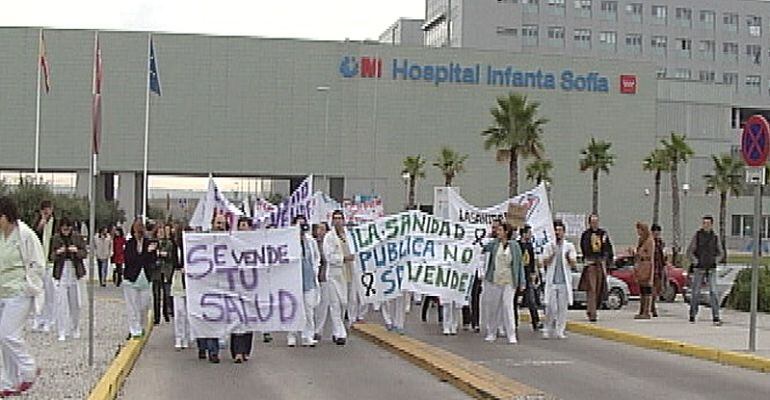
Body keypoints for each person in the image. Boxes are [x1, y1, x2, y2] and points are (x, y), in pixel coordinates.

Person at [0, 196, 45, 396]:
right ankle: (9, 382)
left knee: (8, 333)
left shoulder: (25, 234)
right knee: (3, 339)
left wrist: (29, 286)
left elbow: (38, 263)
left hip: (19, 292)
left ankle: (29, 369)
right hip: (2, 292)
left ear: (6, 216)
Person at [481, 222, 525, 344]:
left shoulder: (515, 246)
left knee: (507, 306)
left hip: (509, 280)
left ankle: (511, 334)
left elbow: (519, 264)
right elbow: (483, 249)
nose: (498, 232)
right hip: (495, 279)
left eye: (500, 230)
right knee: (493, 307)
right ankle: (491, 332)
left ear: (506, 232)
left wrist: (522, 281)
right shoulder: (494, 244)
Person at [196, 214, 227, 363]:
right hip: (205, 284)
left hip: (221, 284)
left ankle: (213, 351)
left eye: (223, 223)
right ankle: (203, 345)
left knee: (216, 317)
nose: (220, 225)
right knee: (205, 317)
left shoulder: (229, 240)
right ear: (213, 223)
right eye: (218, 223)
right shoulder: (204, 240)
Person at [50, 218, 87, 341]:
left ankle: (75, 328)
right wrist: (58, 252)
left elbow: (84, 253)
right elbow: (51, 256)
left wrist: (76, 251)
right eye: (64, 228)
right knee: (61, 303)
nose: (66, 230)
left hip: (74, 270)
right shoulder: (55, 238)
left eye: (68, 228)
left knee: (75, 303)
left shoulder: (77, 237)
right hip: (61, 271)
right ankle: (61, 331)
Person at [287, 215, 320, 347]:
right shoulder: (289, 240)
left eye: (303, 224)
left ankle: (308, 336)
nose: (301, 228)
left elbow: (316, 257)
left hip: (308, 279)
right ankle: (292, 335)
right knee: (293, 309)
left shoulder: (310, 241)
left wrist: (315, 270)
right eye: (298, 225)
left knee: (309, 309)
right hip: (294, 280)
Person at [320, 210, 352, 345]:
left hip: (347, 274)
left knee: (344, 303)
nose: (338, 221)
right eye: (336, 218)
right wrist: (343, 259)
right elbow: (328, 256)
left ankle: (336, 329)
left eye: (340, 218)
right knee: (335, 304)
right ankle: (340, 333)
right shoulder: (329, 237)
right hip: (334, 274)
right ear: (332, 221)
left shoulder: (349, 236)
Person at [541, 220, 576, 339]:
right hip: (552, 281)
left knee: (562, 308)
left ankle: (560, 330)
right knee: (551, 307)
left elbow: (573, 264)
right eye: (556, 230)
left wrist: (567, 257)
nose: (558, 233)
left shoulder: (569, 246)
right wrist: (553, 254)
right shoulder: (549, 246)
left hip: (563, 282)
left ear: (564, 232)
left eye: (560, 230)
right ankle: (547, 327)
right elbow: (544, 262)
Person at [686, 215, 723, 326]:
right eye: (704, 223)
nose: (705, 225)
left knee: (713, 292)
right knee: (696, 292)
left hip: (711, 268)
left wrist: (715, 261)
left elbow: (721, 253)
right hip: (699, 268)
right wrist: (696, 261)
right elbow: (690, 252)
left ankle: (716, 316)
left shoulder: (715, 237)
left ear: (711, 224)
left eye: (707, 223)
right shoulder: (697, 236)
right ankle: (692, 314)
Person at [123, 219, 157, 340]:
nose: (139, 232)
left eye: (140, 228)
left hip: (145, 278)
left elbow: (152, 260)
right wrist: (146, 253)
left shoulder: (149, 243)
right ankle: (134, 330)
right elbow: (130, 259)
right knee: (132, 306)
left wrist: (149, 253)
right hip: (131, 278)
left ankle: (141, 327)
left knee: (144, 305)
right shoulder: (129, 243)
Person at [579, 214, 614, 322]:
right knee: (592, 288)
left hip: (600, 262)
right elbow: (584, 248)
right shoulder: (586, 235)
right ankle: (592, 312)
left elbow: (608, 247)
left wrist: (607, 260)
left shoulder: (603, 234)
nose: (594, 224)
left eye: (596, 221)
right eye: (592, 222)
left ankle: (594, 308)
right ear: (589, 223)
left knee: (599, 287)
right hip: (590, 263)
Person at [230, 217, 255, 362]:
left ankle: (245, 350)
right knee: (237, 319)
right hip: (236, 286)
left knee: (248, 320)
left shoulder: (255, 244)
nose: (242, 228)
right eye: (240, 226)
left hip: (251, 287)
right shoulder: (232, 242)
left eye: (245, 226)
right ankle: (237, 352)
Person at [31, 199, 55, 332]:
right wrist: (41, 222)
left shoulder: (56, 224)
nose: (46, 211)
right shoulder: (37, 223)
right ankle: (38, 319)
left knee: (49, 293)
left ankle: (49, 320)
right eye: (44, 209)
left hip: (50, 263)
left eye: (48, 209)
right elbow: (34, 236)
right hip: (38, 262)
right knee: (37, 292)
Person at [517, 225, 542, 331]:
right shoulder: (517, 245)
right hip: (518, 275)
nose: (530, 235)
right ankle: (513, 322)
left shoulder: (530, 246)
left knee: (532, 299)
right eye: (529, 233)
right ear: (524, 234)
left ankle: (536, 321)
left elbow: (531, 261)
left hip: (527, 275)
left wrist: (533, 273)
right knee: (514, 300)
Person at [630, 222, 655, 320]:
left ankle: (646, 311)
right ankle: (641, 310)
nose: (638, 232)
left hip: (647, 266)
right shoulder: (641, 240)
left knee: (647, 289)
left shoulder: (649, 241)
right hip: (640, 266)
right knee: (641, 289)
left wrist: (639, 253)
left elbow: (648, 254)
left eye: (640, 230)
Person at [153, 224, 176, 325]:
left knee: (166, 295)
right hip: (156, 272)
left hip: (166, 271)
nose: (161, 234)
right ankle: (157, 317)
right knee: (156, 295)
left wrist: (159, 254)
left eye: (162, 232)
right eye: (159, 232)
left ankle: (166, 314)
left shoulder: (169, 243)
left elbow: (168, 255)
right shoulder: (153, 243)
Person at [650, 224, 666, 318]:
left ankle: (652, 305)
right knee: (653, 290)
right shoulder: (649, 242)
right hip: (652, 268)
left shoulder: (660, 243)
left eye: (658, 232)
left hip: (659, 268)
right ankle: (652, 307)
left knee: (658, 288)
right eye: (655, 232)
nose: (657, 234)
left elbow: (662, 256)